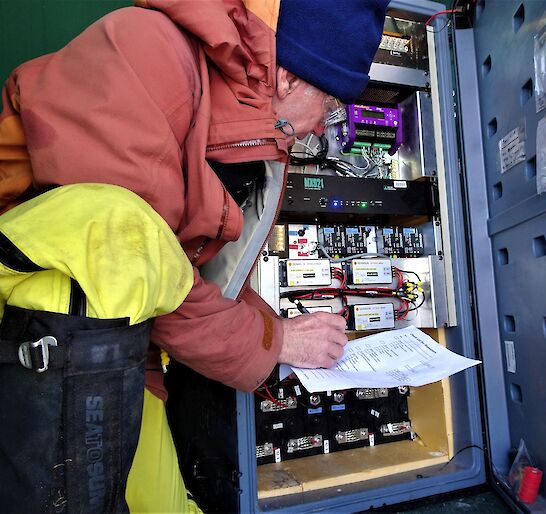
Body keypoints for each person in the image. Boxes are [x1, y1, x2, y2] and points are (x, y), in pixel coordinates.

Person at [0, 0, 389, 511]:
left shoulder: (256, 135)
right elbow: (124, 260)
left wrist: (282, 332)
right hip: (38, 310)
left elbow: (193, 274)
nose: (323, 127)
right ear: (291, 79)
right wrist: (276, 342)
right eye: (333, 107)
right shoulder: (145, 51)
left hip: (123, 339)